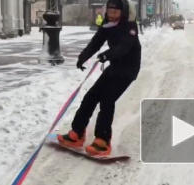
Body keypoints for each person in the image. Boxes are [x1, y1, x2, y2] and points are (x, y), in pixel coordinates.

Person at [57, 0, 141, 156]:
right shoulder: (107, 24)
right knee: (91, 96)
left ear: (122, 13)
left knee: (107, 99)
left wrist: (107, 55)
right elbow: (96, 41)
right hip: (114, 67)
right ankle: (77, 133)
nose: (112, 15)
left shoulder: (129, 27)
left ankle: (102, 141)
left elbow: (124, 47)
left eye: (115, 13)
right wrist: (84, 56)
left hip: (128, 69)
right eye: (110, 12)